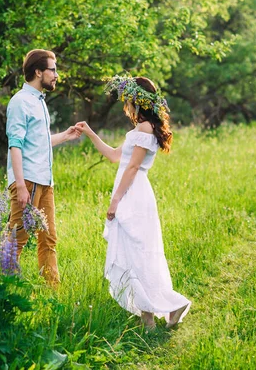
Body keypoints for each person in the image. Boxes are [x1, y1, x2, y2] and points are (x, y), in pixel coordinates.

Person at [75, 75, 190, 330]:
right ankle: (149, 316)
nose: (125, 105)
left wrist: (115, 201)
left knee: (139, 253)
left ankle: (168, 306)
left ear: (137, 101)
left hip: (134, 195)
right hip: (131, 192)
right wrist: (90, 133)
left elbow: (133, 167)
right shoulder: (140, 129)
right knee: (131, 253)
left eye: (127, 100)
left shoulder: (146, 129)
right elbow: (116, 157)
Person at [6, 49, 80, 286]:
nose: (57, 75)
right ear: (38, 72)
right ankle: (0, 290)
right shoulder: (20, 102)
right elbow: (15, 145)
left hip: (45, 181)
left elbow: (39, 141)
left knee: (48, 239)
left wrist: (65, 136)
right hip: (27, 181)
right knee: (17, 239)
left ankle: (53, 293)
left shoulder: (39, 101)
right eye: (53, 69)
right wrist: (20, 185)